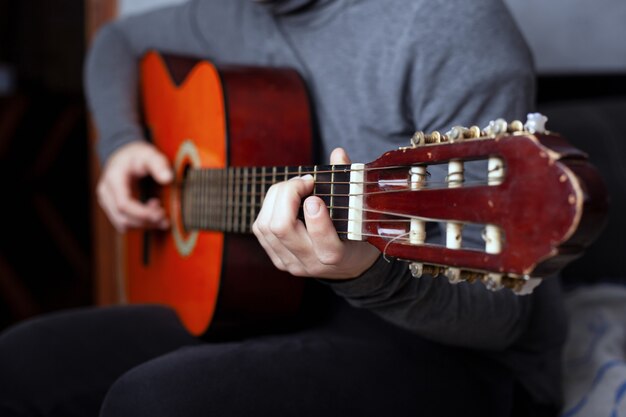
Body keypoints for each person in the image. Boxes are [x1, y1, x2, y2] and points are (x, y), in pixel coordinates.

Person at [0, 0, 566, 416]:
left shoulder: (447, 24)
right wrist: (122, 144)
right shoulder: (234, 13)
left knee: (155, 403)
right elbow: (114, 45)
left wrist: (367, 272)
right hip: (276, 303)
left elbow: (501, 320)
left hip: (464, 358)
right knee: (20, 360)